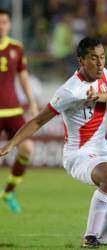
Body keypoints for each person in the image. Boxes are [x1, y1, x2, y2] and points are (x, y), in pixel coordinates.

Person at [0, 37, 107, 248]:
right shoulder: (70, 91)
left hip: (103, 148)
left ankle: (106, 239)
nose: (100, 63)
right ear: (80, 60)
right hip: (78, 154)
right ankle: (90, 238)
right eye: (93, 58)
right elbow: (38, 120)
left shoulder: (104, 75)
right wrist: (12, 144)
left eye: (102, 57)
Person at [0, 9, 39, 213]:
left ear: (9, 24)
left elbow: (23, 76)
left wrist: (31, 101)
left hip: (13, 109)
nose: (1, 25)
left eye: (4, 21)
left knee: (27, 149)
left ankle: (8, 192)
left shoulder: (16, 47)